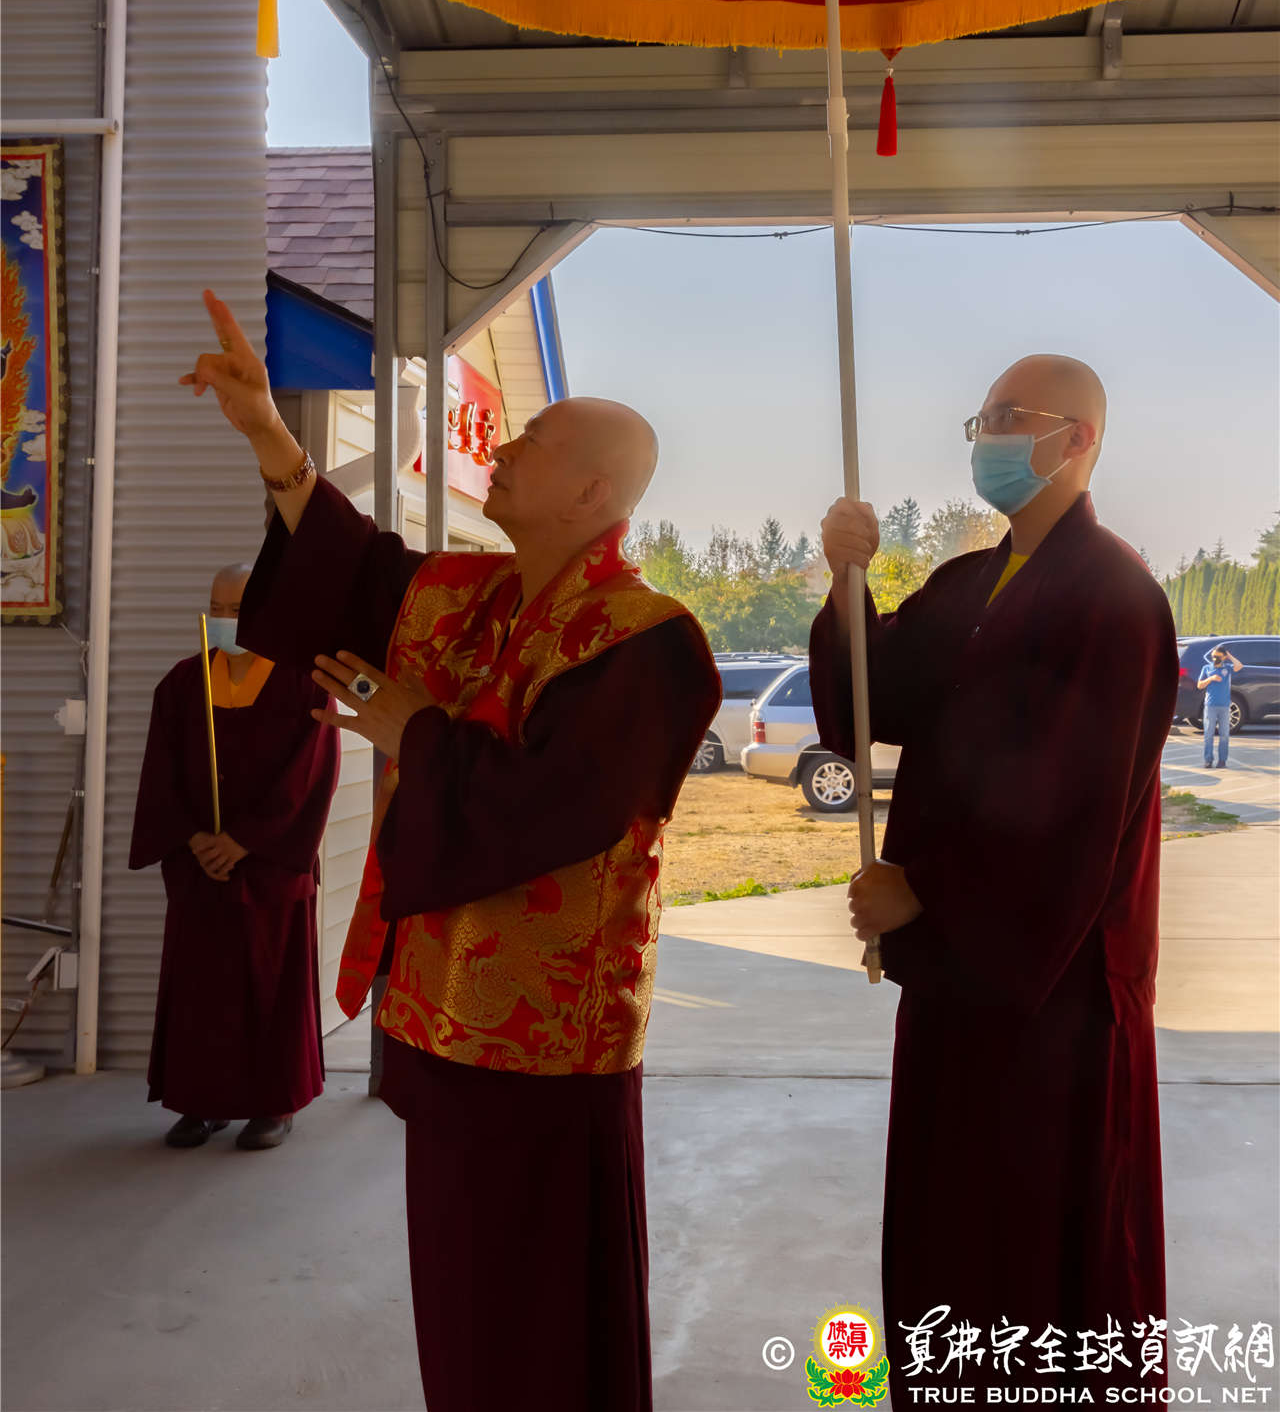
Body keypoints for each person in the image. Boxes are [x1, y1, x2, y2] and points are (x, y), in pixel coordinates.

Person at [179, 288, 720, 1412]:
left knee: (539, 1311)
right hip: (443, 1016)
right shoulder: (469, 598)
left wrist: (413, 730)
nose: (505, 448)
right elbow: (356, 571)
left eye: (535, 440)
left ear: (594, 494)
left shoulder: (644, 640)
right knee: (462, 1300)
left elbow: (547, 816)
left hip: (549, 1047)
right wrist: (269, 432)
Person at [810, 356, 1177, 1405]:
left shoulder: (1115, 596)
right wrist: (846, 582)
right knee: (949, 1235)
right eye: (982, 419)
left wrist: (926, 892)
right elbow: (872, 698)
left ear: (1078, 439)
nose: (989, 437)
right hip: (956, 986)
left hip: (1052, 988)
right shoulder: (969, 584)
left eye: (1011, 416)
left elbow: (1076, 804)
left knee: (1035, 1251)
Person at [129, 562, 340, 1149]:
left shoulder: (303, 685)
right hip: (200, 866)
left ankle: (275, 1104)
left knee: (271, 985)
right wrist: (192, 837)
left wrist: (245, 839)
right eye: (217, 608)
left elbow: (311, 775)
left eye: (240, 609)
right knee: (201, 990)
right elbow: (161, 773)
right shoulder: (182, 684)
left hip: (269, 864)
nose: (226, 620)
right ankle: (200, 1102)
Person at [1197, 644, 1242, 768]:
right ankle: (1208, 760)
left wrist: (1229, 656)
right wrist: (1210, 678)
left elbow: (1239, 666)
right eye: (1213, 656)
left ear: (1223, 657)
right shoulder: (1206, 668)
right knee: (1208, 734)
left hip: (1224, 707)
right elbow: (1199, 685)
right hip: (1210, 706)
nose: (1215, 658)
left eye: (1218, 656)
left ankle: (1222, 760)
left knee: (1224, 735)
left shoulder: (1227, 668)